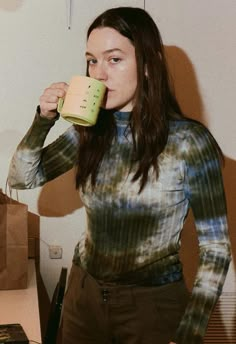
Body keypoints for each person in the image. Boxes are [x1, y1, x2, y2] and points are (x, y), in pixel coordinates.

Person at [8, 6, 231, 344]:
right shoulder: (90, 129)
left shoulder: (189, 141)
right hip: (84, 297)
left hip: (152, 306)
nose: (98, 74)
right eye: (92, 60)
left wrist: (190, 330)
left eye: (114, 59)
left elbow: (216, 247)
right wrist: (43, 119)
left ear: (146, 64)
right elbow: (23, 178)